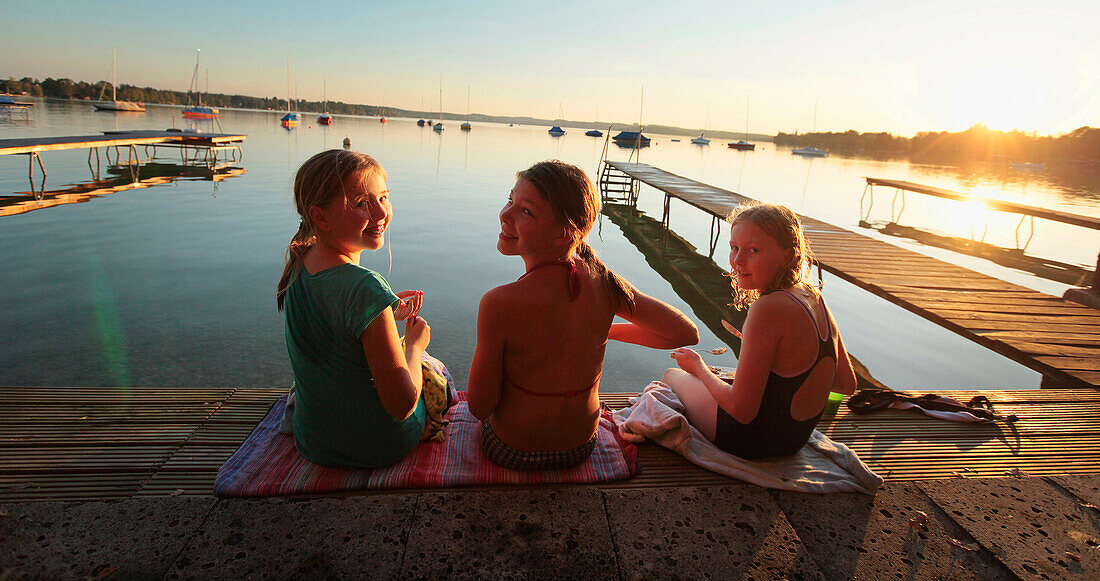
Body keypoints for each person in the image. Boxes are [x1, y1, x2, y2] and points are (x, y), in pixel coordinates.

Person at [469, 160, 699, 470]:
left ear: (564, 235)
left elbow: (480, 407)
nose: (505, 214)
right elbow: (684, 333)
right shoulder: (604, 283)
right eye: (511, 200)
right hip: (580, 447)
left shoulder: (499, 302)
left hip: (513, 450)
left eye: (526, 211)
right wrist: (600, 330)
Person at [276, 149, 433, 469]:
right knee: (432, 369)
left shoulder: (300, 264)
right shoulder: (364, 287)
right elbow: (401, 405)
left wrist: (385, 313)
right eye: (362, 203)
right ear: (320, 216)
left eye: (384, 198)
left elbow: (336, 329)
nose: (380, 213)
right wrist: (415, 346)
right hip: (377, 447)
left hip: (314, 441)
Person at [664, 202, 857, 460]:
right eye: (734, 248)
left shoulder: (767, 308)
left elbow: (741, 410)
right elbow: (846, 384)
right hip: (795, 440)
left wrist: (697, 365)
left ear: (787, 256)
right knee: (710, 381)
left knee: (672, 376)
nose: (738, 261)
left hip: (752, 441)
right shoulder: (813, 296)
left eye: (753, 250)